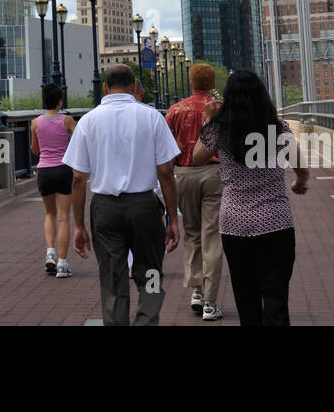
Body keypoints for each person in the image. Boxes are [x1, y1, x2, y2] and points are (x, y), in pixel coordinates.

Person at [65, 64, 180, 326]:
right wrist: (173, 217)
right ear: (135, 87)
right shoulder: (151, 117)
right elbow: (165, 171)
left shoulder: (88, 121)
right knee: (150, 272)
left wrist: (80, 225)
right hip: (144, 207)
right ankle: (146, 320)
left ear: (105, 87)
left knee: (113, 280)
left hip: (105, 209)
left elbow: (78, 179)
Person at [192, 69, 309, 326]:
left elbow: (197, 157)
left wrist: (209, 121)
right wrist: (300, 182)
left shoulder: (220, 129)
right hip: (275, 223)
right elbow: (301, 166)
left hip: (234, 225)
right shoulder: (277, 128)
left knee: (246, 299)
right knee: (276, 297)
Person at [165, 62, 224, 321]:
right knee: (212, 235)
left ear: (191, 82)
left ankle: (196, 290)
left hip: (184, 174)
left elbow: (165, 151)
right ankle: (210, 302)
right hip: (215, 174)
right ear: (213, 85)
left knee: (191, 233)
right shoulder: (222, 111)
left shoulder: (175, 110)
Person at [30, 83, 77, 278]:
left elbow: (35, 150)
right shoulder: (67, 121)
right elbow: (78, 142)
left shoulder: (35, 123)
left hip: (44, 171)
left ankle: (50, 252)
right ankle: (62, 264)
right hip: (63, 169)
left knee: (49, 214)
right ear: (60, 102)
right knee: (64, 217)